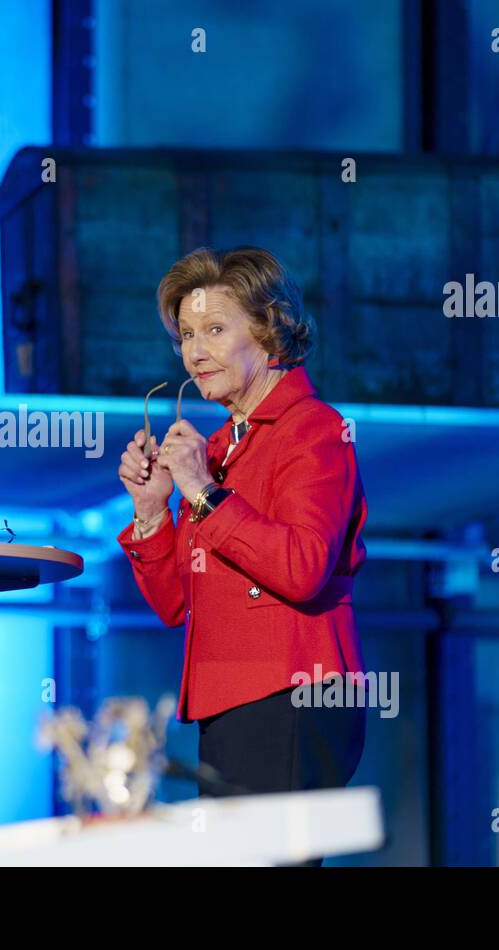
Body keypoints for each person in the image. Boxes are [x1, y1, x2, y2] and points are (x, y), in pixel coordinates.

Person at [116, 247, 369, 862]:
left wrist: (202, 493)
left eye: (215, 329)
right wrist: (153, 511)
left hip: (288, 690)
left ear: (270, 328)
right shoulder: (223, 448)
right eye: (185, 334)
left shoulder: (313, 428)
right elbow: (178, 604)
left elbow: (304, 567)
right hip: (231, 698)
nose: (194, 351)